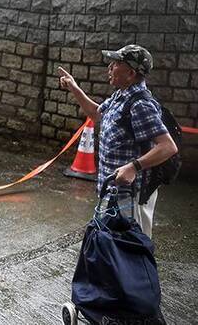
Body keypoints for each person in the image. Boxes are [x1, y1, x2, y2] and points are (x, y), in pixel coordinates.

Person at [58, 45, 178, 238]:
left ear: (130, 73)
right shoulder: (121, 96)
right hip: (113, 192)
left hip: (131, 195)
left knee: (131, 253)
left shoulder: (140, 104)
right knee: (110, 252)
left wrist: (133, 167)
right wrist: (74, 87)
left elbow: (168, 147)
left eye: (115, 64)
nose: (110, 67)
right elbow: (97, 115)